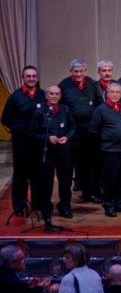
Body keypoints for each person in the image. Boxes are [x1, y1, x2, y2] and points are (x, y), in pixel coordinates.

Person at [1, 66, 45, 217]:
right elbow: (5, 119)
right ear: (23, 78)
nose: (31, 78)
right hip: (21, 143)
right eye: (28, 76)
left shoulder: (43, 95)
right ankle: (19, 206)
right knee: (20, 175)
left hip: (39, 142)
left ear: (37, 78)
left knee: (38, 174)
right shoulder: (15, 97)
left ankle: (38, 203)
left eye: (34, 76)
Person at [30, 86, 76, 226]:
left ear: (60, 96)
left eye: (57, 94)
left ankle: (65, 206)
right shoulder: (39, 111)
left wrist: (67, 137)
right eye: (51, 94)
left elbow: (73, 127)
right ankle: (46, 208)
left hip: (64, 151)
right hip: (47, 151)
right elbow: (32, 132)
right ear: (46, 95)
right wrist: (47, 137)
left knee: (66, 181)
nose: (54, 96)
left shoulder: (65, 109)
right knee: (46, 182)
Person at [58, 59, 102, 203]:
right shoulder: (64, 85)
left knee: (90, 164)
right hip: (72, 133)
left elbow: (99, 104)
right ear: (71, 72)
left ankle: (90, 193)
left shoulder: (92, 84)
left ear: (86, 71)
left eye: (81, 71)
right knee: (69, 166)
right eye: (75, 71)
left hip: (89, 132)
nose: (78, 74)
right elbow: (59, 108)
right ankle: (66, 200)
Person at [89, 83, 121, 217]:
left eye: (117, 92)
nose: (115, 94)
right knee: (110, 180)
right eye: (112, 92)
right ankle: (109, 204)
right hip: (109, 151)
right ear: (106, 93)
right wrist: (104, 145)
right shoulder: (100, 110)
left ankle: (120, 202)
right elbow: (93, 131)